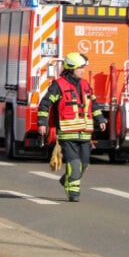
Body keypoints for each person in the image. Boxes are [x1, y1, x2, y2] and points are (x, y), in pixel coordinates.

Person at [37, 52, 106, 202]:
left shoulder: (85, 85)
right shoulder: (58, 85)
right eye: (80, 68)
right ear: (71, 68)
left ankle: (67, 179)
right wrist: (42, 123)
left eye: (83, 67)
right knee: (75, 165)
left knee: (84, 164)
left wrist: (100, 119)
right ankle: (73, 193)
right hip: (67, 134)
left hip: (85, 134)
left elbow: (93, 104)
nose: (82, 70)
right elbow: (45, 104)